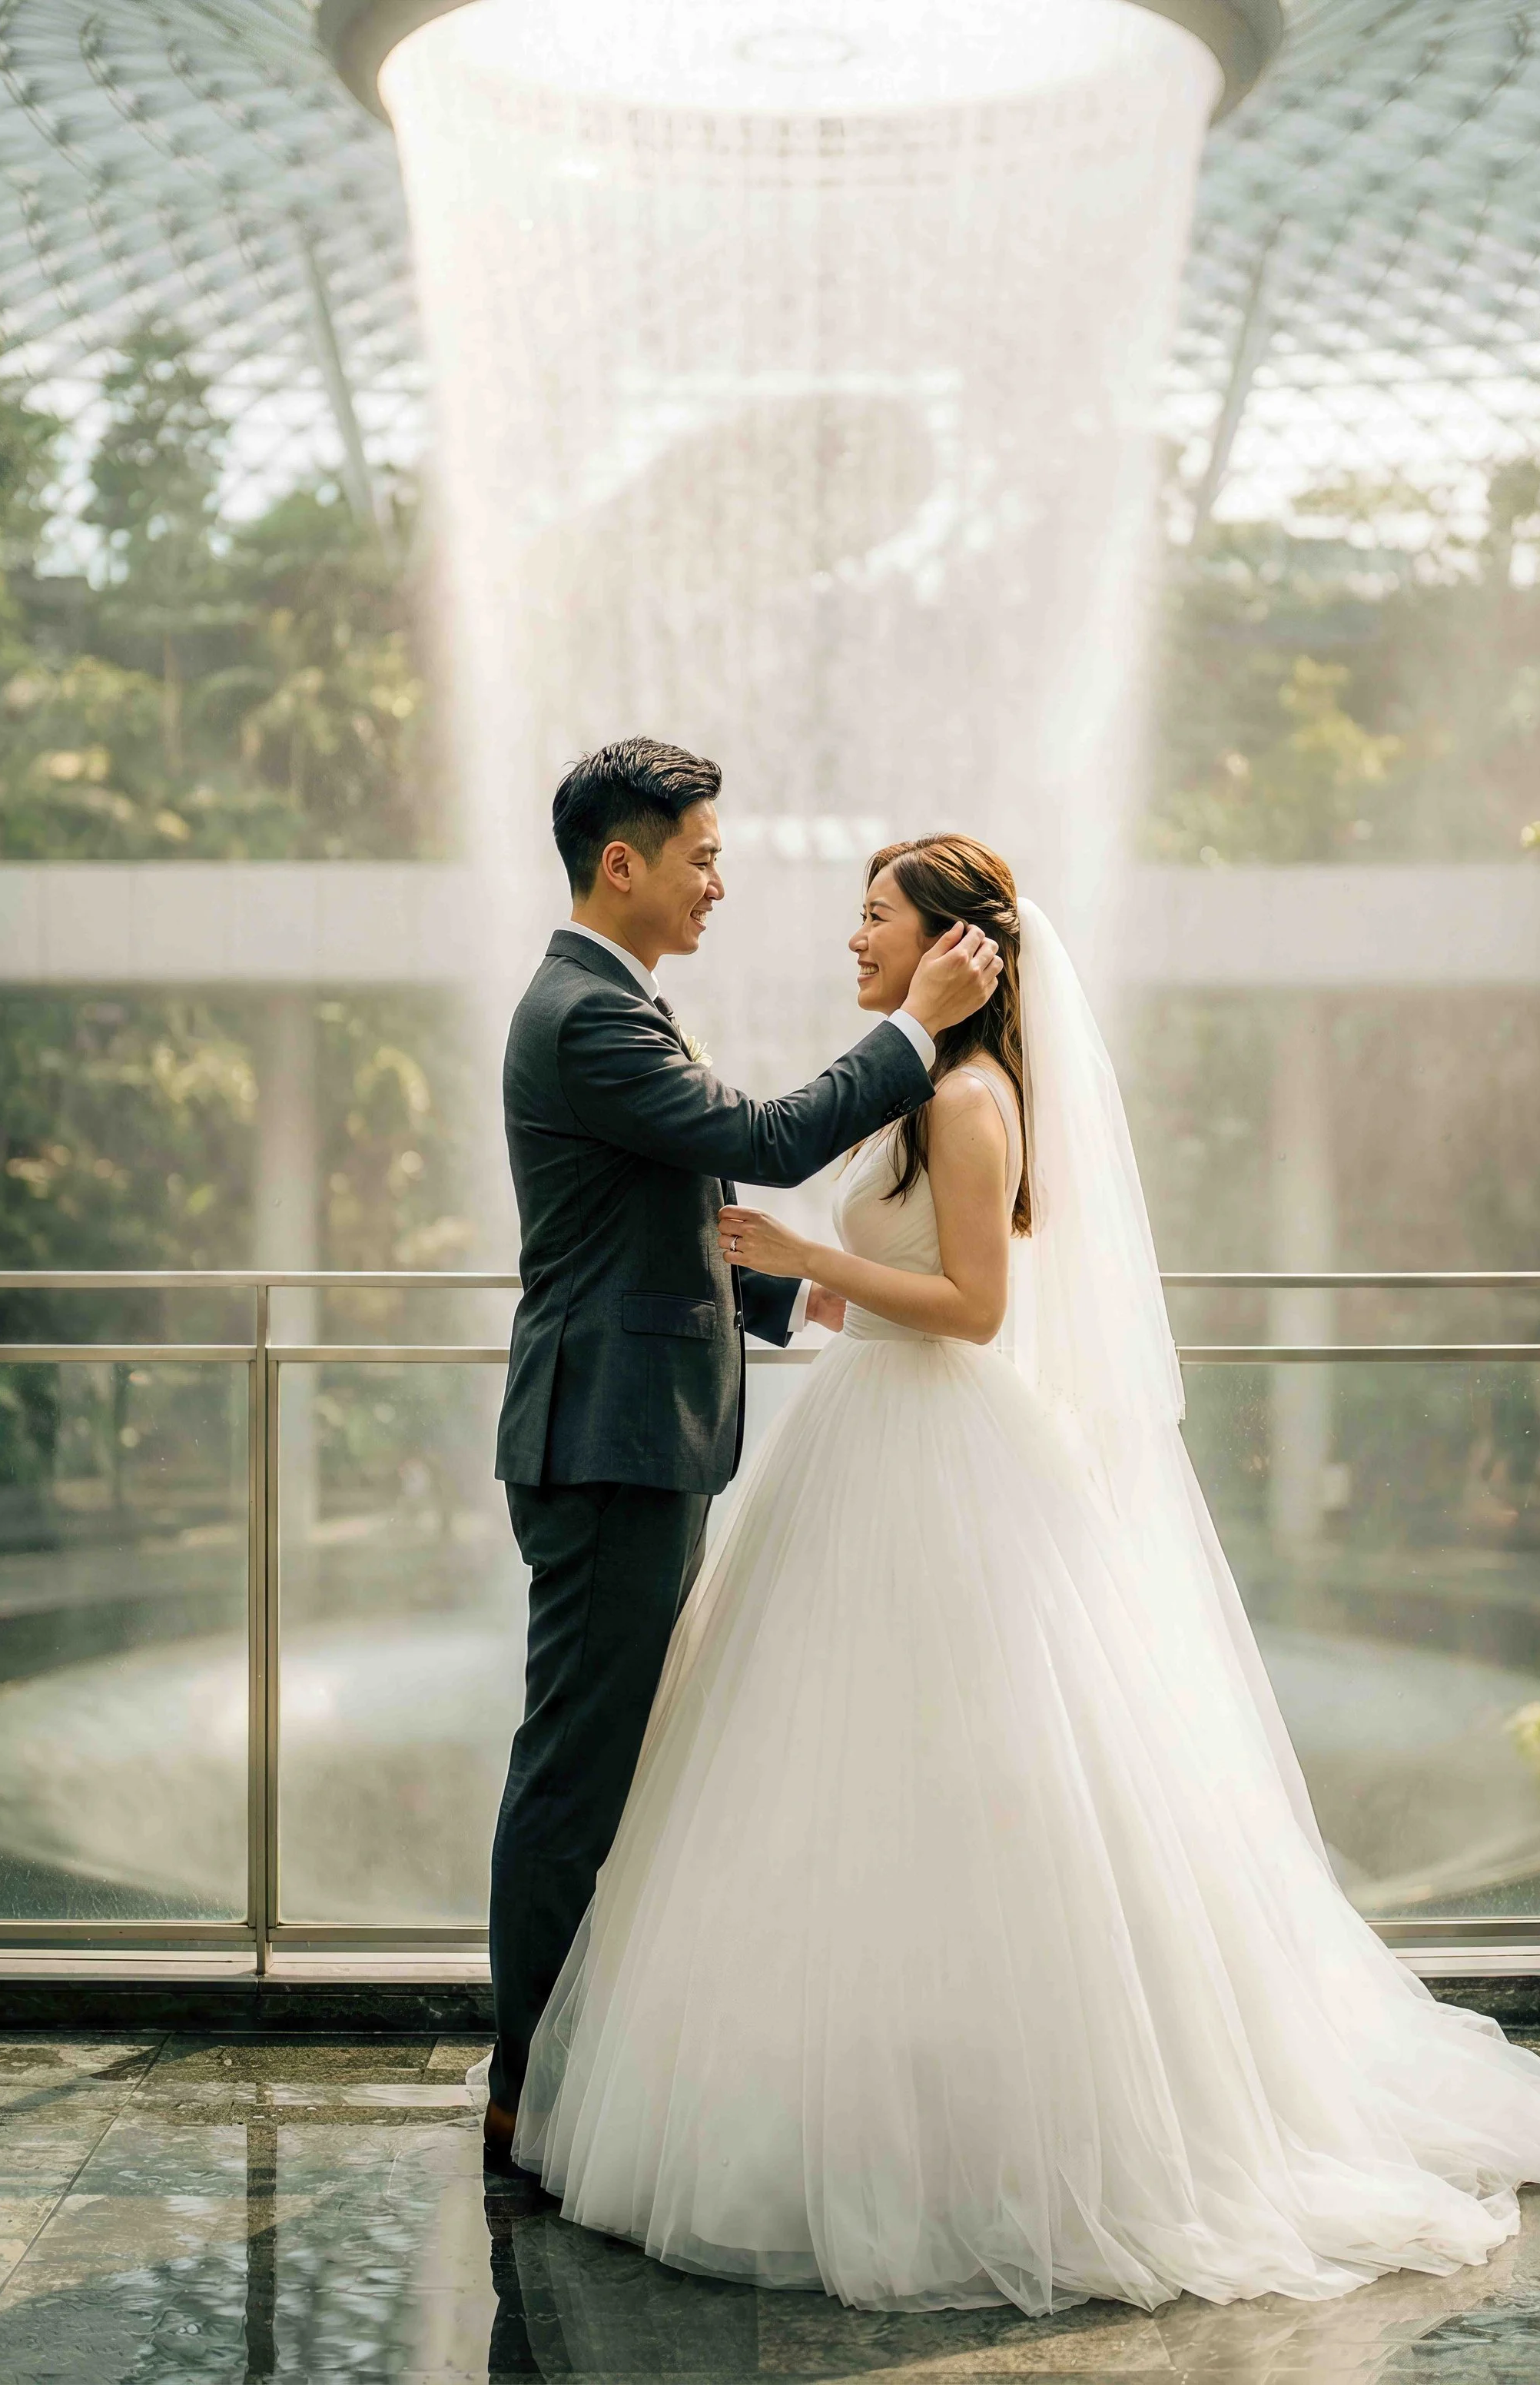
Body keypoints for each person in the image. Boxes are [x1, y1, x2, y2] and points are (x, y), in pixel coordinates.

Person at [497, 832, 1540, 2314]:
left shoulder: (965, 1097)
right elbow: (859, 1247)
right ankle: (771, 2079)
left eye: (875, 919)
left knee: (979, 1780)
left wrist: (807, 1263)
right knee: (827, 1787)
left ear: (959, 950)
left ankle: (964, 2111)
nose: (847, 937)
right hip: (851, 1446)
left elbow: (973, 1306)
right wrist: (818, 1272)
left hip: (934, 1448)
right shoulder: (866, 1080)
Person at [484, 743, 1003, 2177]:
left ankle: (567, 2067)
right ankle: (526, 2085)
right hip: (608, 1447)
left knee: (614, 1763)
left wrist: (794, 1295)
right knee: (574, 1778)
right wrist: (915, 1032)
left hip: (646, 1438)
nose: (722, 883)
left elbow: (669, 1211)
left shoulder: (619, 1006)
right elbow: (761, 1144)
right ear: (623, 864)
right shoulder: (585, 1015)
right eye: (703, 857)